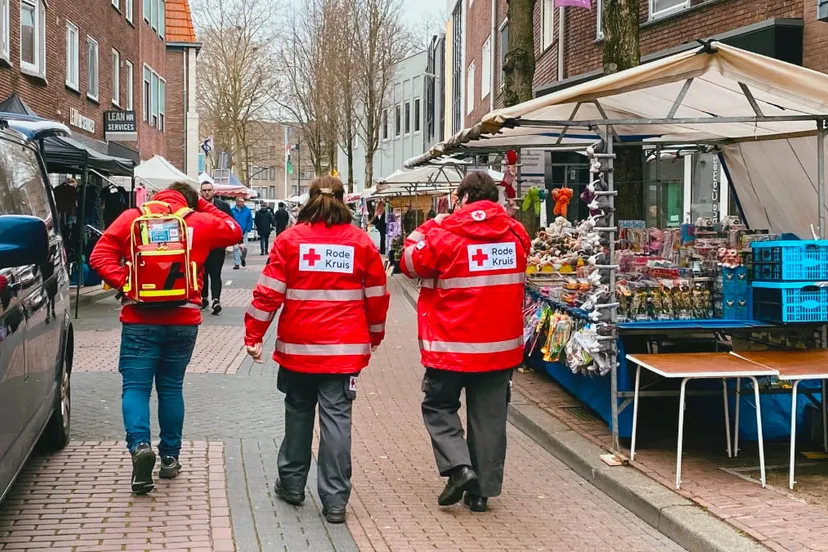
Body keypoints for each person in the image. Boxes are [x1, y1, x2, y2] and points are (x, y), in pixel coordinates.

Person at [244, 176, 389, 525]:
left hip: (299, 348)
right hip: (345, 350)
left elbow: (269, 293)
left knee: (298, 412)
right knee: (337, 419)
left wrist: (254, 334)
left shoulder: (290, 241)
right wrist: (375, 335)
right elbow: (377, 296)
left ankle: (292, 484)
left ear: (310, 200)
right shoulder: (360, 243)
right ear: (343, 201)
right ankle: (335, 500)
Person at [90, 182, 242, 495]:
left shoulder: (133, 218)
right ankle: (170, 458)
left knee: (135, 388)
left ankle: (140, 447)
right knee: (171, 388)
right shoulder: (197, 221)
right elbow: (234, 230)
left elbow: (99, 256)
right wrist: (202, 205)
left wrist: (128, 284)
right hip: (183, 318)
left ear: (158, 197)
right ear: (191, 200)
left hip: (139, 317)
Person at [400, 171, 530, 513]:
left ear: (465, 198)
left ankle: (460, 467)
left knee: (439, 406)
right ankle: (481, 494)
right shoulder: (516, 233)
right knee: (489, 418)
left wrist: (430, 225)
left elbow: (410, 262)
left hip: (450, 345)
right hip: (500, 347)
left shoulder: (443, 235)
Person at [200, 176, 234, 314]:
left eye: (209, 190)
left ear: (213, 191)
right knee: (202, 274)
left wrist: (230, 241)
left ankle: (216, 299)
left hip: (217, 246)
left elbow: (230, 222)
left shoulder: (222, 206)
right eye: (204, 190)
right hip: (202, 246)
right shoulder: (196, 206)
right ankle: (204, 298)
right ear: (200, 192)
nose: (207, 193)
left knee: (215, 273)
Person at [231, 197, 253, 269]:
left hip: (244, 231)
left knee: (244, 247)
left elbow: (250, 220)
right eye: (241, 202)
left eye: (243, 202)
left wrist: (249, 228)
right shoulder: (232, 211)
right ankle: (236, 263)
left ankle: (242, 257)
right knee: (236, 248)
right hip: (235, 232)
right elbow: (230, 220)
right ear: (237, 202)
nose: (243, 203)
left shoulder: (247, 210)